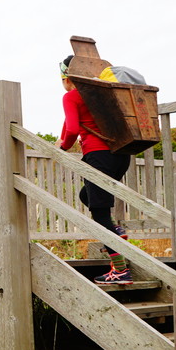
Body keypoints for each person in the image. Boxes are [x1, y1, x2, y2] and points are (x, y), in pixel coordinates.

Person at [58, 55, 132, 283]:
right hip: (121, 156)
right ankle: (116, 232)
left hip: (99, 157)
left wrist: (62, 147)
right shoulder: (102, 92)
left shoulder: (72, 96)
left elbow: (71, 130)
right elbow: (70, 126)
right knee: (87, 195)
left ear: (66, 78)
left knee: (99, 214)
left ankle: (120, 270)